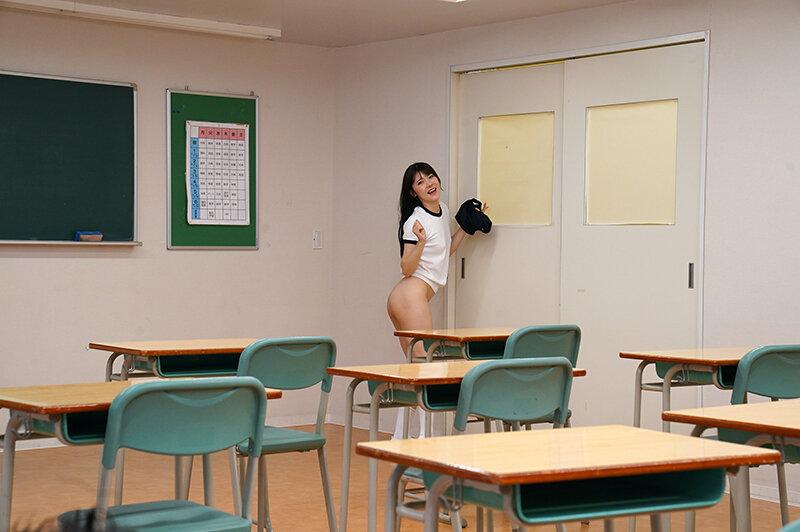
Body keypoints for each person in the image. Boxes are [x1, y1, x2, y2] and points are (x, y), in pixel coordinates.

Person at [386, 162, 484, 437]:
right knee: (425, 366)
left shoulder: (443, 211)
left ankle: (400, 435)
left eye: (430, 177)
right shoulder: (414, 221)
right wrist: (419, 242)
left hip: (412, 296)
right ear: (413, 192)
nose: (428, 183)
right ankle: (425, 437)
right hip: (409, 295)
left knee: (415, 367)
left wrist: (467, 226)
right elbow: (407, 268)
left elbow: (445, 250)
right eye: (420, 182)